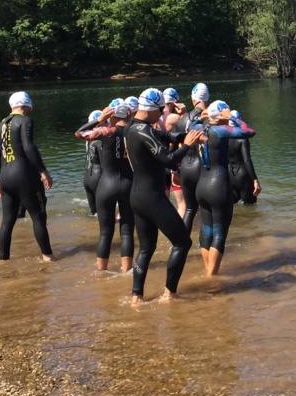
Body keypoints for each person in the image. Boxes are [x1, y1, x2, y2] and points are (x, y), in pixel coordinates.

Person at [124, 87, 204, 303]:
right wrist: (186, 147)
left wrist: (187, 135)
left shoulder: (133, 127)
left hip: (137, 197)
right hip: (152, 198)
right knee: (182, 243)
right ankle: (169, 293)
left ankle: (136, 297)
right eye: (160, 110)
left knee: (146, 249)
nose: (162, 114)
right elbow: (168, 160)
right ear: (152, 109)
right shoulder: (144, 131)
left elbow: (166, 135)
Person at [195, 101, 256, 276]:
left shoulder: (200, 128)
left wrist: (203, 116)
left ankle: (208, 271)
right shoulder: (221, 131)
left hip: (201, 186)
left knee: (206, 230)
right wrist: (233, 119)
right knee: (219, 233)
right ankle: (211, 277)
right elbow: (249, 132)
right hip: (218, 186)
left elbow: (193, 122)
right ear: (221, 115)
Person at [0, 91, 53, 262]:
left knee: (7, 222)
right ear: (26, 104)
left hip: (5, 178)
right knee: (38, 217)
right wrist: (43, 171)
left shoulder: (0, 125)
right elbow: (28, 147)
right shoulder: (25, 121)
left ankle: (4, 260)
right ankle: (48, 258)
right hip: (24, 176)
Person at [75, 101, 134, 272]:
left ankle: (101, 273)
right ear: (129, 115)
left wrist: (99, 119)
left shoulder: (105, 131)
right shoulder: (134, 131)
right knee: (127, 232)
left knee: (105, 233)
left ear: (112, 117)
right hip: (128, 185)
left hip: (106, 186)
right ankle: (126, 271)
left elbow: (79, 133)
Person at [174, 82, 210, 230]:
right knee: (206, 210)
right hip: (202, 168)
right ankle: (205, 245)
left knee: (190, 209)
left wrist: (174, 171)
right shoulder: (211, 117)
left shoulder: (182, 120)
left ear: (193, 98)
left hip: (185, 168)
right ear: (207, 97)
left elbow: (176, 145)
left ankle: (181, 244)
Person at [228, 110, 261, 205]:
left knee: (233, 206)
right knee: (250, 207)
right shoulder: (242, 138)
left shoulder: (223, 136)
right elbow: (246, 160)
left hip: (230, 174)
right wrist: (255, 180)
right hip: (242, 175)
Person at [82, 109, 103, 216]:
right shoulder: (101, 139)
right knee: (104, 213)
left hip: (87, 177)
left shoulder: (87, 136)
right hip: (98, 177)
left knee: (94, 214)